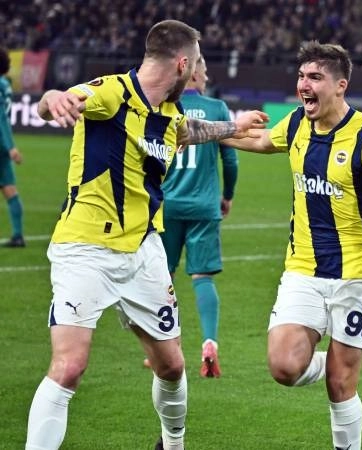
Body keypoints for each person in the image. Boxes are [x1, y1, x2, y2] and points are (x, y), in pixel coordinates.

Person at [25, 19, 267, 450]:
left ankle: (173, 444)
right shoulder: (112, 92)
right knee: (69, 367)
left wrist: (234, 125)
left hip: (143, 252)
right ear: (182, 64)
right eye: (195, 64)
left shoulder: (168, 113)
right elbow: (60, 101)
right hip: (86, 249)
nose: (197, 72)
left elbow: (188, 131)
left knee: (172, 366)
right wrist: (53, 98)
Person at [222, 41, 362, 450]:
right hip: (304, 270)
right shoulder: (297, 123)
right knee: (283, 366)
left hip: (359, 277)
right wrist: (214, 135)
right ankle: (333, 360)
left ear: (340, 85)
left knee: (340, 384)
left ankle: (343, 397)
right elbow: (261, 142)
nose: (304, 85)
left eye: (315, 77)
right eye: (301, 76)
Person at [146, 54, 238, 378]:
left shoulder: (165, 107)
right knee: (202, 278)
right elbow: (231, 161)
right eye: (205, 71)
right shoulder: (218, 109)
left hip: (168, 205)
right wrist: (227, 196)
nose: (208, 76)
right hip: (204, 205)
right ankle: (209, 343)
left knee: (164, 275)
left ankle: (163, 345)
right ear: (194, 75)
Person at [0, 47, 25, 247]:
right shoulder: (5, 84)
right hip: (3, 145)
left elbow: (0, 118)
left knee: (9, 189)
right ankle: (18, 236)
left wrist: (11, 147)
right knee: (9, 189)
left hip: (3, 143)